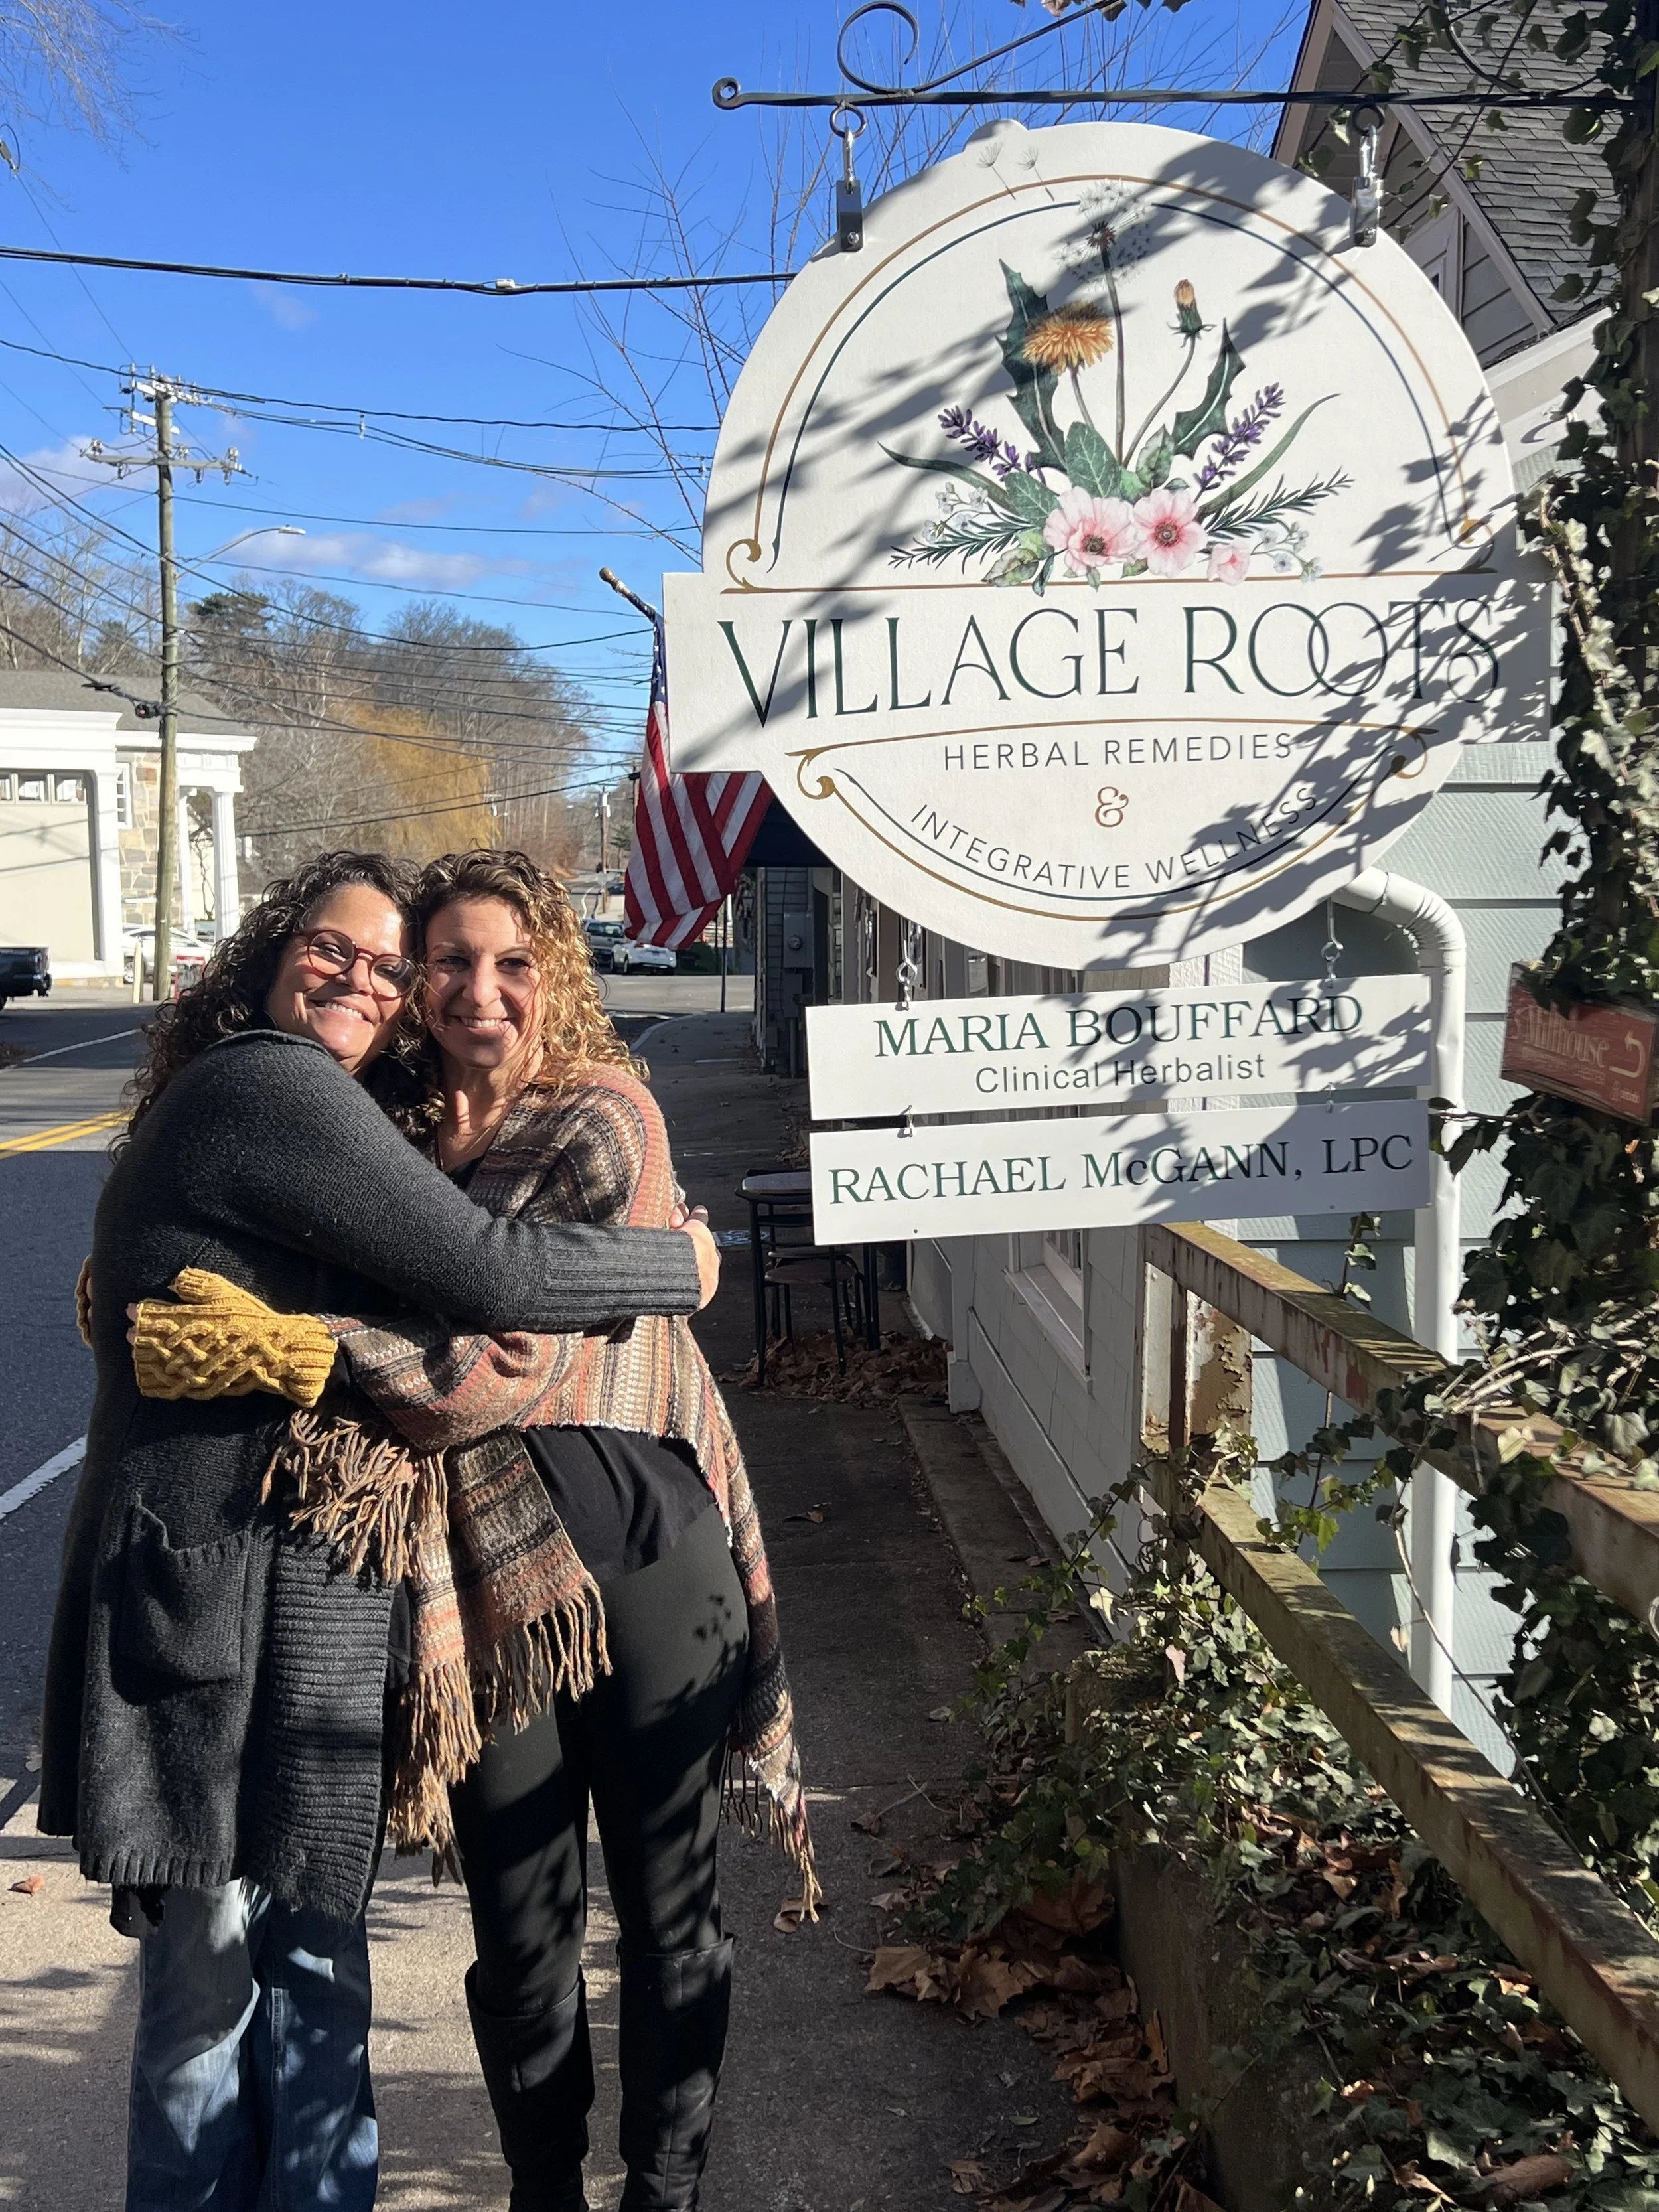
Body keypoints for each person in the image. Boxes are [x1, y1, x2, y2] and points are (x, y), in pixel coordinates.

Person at [130, 849, 815, 2212]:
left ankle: (664, 2189)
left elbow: (493, 1353)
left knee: (670, 1921)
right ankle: (545, 2191)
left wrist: (297, 1343)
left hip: (645, 1554)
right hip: (478, 1590)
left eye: (512, 961)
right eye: (448, 962)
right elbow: (264, 1234)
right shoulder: (374, 1129)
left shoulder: (602, 1117)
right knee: (518, 1932)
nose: (477, 990)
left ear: (554, 974)